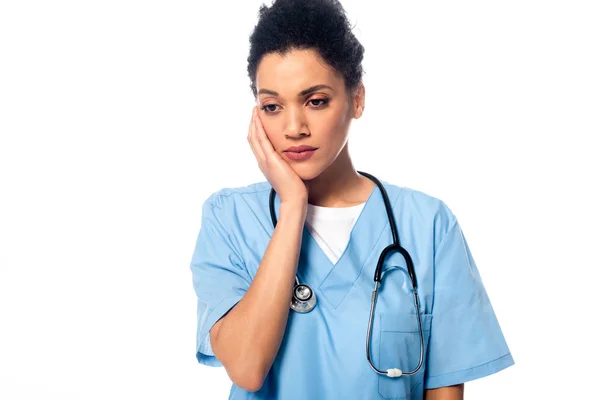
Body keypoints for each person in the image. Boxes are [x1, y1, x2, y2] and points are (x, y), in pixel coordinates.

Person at [189, 0, 514, 398]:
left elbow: (444, 390)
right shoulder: (230, 219)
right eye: (272, 106)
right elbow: (247, 367)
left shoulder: (427, 225)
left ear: (357, 99)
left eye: (316, 101)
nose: (294, 127)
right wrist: (293, 205)